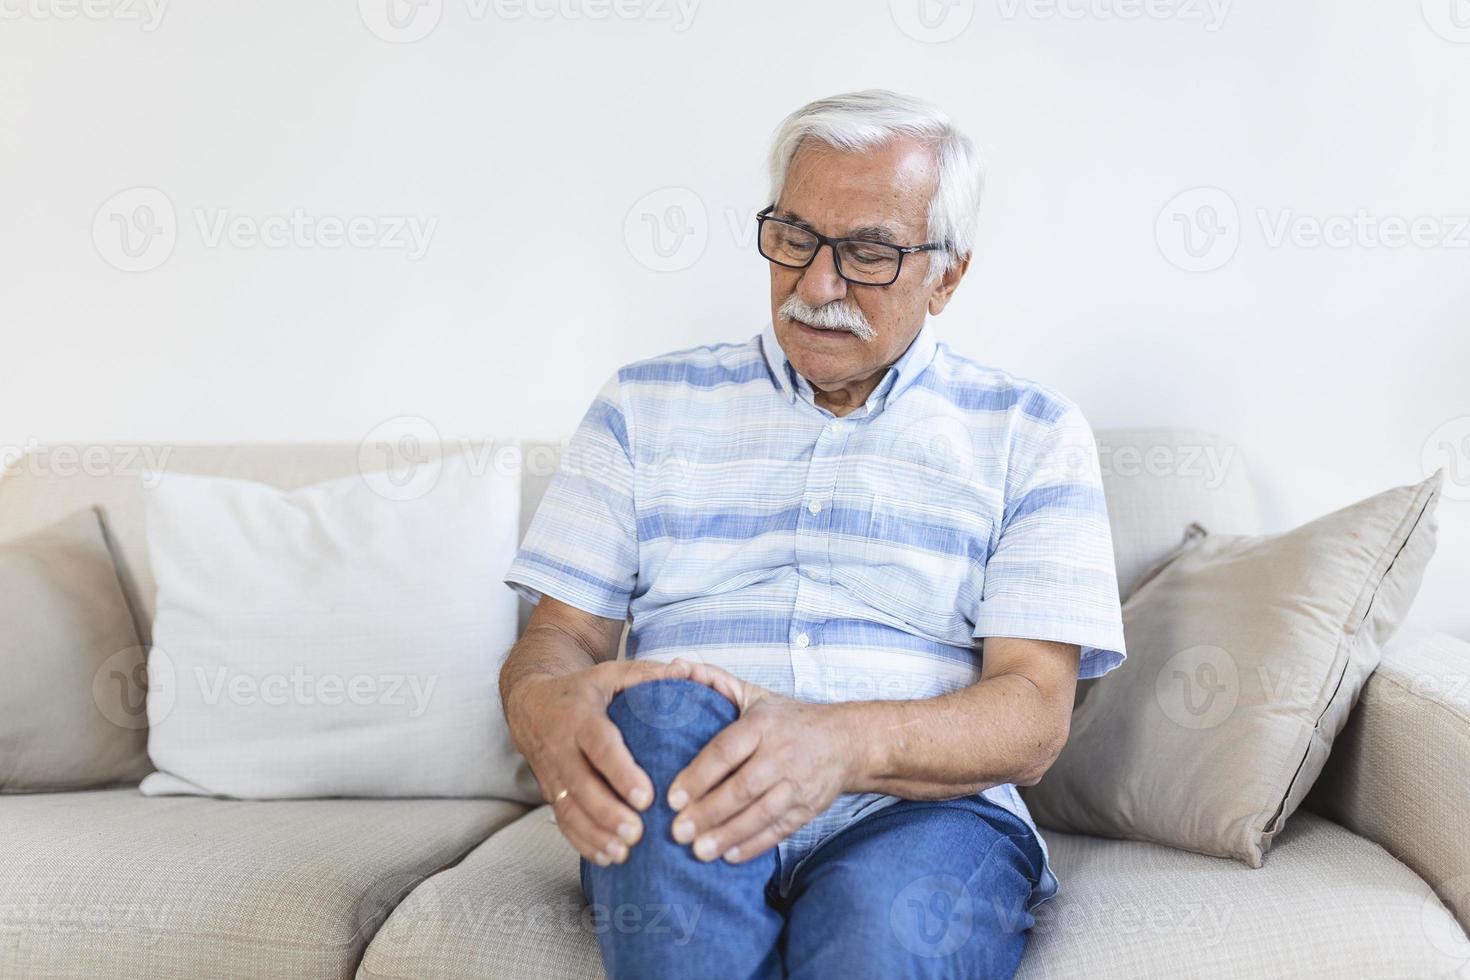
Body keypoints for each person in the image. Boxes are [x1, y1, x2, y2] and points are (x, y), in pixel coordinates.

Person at [500, 88, 1126, 979]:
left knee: (878, 934)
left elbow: (1031, 717)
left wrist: (838, 743)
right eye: (794, 237)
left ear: (947, 274)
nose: (816, 284)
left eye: (868, 253)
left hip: (923, 815)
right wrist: (539, 706)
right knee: (667, 706)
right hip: (687, 775)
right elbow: (560, 637)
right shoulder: (642, 406)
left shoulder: (1031, 431)